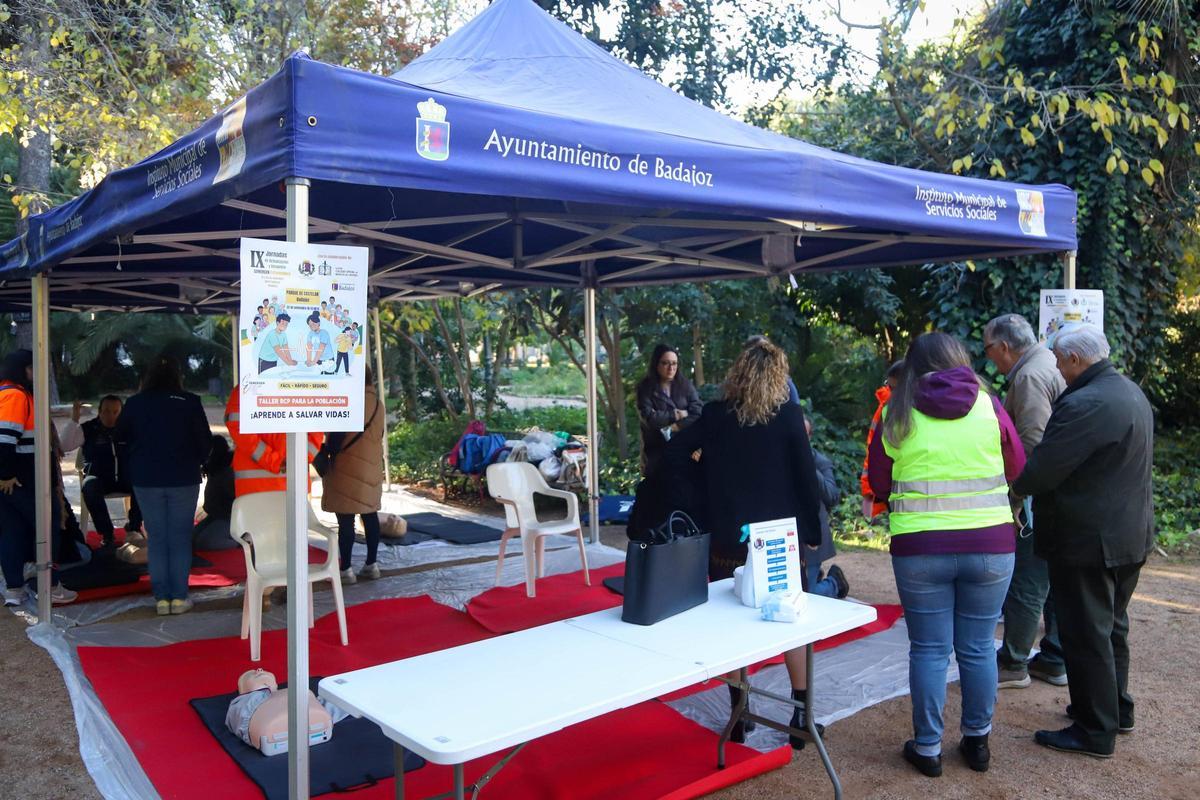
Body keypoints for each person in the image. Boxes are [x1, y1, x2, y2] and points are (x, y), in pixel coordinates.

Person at [867, 332, 1024, 776]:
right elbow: (1018, 467)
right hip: (991, 547)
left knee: (930, 649)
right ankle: (977, 742)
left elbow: (879, 482)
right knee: (977, 647)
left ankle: (929, 747)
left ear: (914, 365)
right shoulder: (989, 405)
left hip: (920, 548)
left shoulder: (895, 409)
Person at [666, 340, 823, 748]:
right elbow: (807, 482)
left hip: (726, 538)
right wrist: (812, 536)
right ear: (778, 378)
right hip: (779, 541)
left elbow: (676, 449)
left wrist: (702, 482)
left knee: (730, 626)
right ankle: (801, 717)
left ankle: (738, 716)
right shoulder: (789, 416)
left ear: (738, 374)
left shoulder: (717, 415)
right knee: (793, 622)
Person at [1012, 324, 1154, 759]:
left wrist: (1017, 485)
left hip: (1088, 541)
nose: (1056, 367)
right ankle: (1117, 710)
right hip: (1128, 534)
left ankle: (1094, 730)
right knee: (1111, 627)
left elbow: (1041, 472)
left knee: (1086, 633)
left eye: (1059, 359)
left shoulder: (1085, 403)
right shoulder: (1129, 391)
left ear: (1075, 359)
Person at [983, 313, 1068, 690]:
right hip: (1060, 493)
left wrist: (1017, 495)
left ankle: (1014, 660)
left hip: (1038, 496)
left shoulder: (1030, 376)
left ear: (1003, 346)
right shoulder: (1046, 362)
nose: (990, 360)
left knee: (1028, 578)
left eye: (989, 351)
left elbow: (1034, 444)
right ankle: (1053, 657)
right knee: (1054, 579)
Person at [117, 355, 212, 615]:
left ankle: (161, 598)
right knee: (180, 538)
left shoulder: (135, 403)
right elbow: (205, 442)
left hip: (146, 479)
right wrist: (199, 460)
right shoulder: (190, 402)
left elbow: (121, 439)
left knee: (157, 538)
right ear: (177, 377)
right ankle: (179, 597)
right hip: (183, 477)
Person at [0, 350, 76, 606]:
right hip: (24, 480)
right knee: (47, 529)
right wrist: (6, 474)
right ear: (22, 369)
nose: (37, 374)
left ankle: (14, 589)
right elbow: (5, 440)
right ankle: (50, 586)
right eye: (33, 368)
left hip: (16, 479)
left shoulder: (7, 392)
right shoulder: (15, 395)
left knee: (12, 532)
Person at [321, 367, 385, 584]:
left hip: (346, 466)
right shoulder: (378, 405)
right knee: (370, 514)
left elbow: (335, 441)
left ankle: (346, 569)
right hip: (372, 467)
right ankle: (372, 564)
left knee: (346, 519)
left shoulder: (346, 402)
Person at [60, 395, 143, 550]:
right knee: (89, 486)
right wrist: (74, 420)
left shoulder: (129, 429)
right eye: (106, 411)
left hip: (125, 478)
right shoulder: (88, 429)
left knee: (144, 481)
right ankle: (107, 534)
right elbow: (64, 445)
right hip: (99, 479)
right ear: (99, 411)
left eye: (115, 412)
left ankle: (134, 527)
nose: (110, 416)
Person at [224, 388, 323, 497]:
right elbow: (316, 429)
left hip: (255, 488)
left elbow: (236, 425)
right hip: (288, 486)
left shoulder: (246, 386)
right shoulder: (304, 387)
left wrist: (278, 461)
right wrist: (296, 461)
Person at [635, 344, 702, 476]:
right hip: (655, 454)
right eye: (665, 363)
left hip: (683, 452)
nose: (671, 368)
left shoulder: (685, 386)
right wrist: (676, 414)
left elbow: (698, 413)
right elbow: (650, 419)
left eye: (674, 363)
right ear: (656, 364)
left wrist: (674, 427)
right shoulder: (645, 388)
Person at [805, 416, 848, 599]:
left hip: (812, 541)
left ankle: (834, 583)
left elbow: (832, 496)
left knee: (808, 596)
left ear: (809, 437)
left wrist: (807, 467)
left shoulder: (820, 461)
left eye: (803, 434)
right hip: (790, 539)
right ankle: (815, 577)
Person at [860, 361, 904, 520]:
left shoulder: (890, 408)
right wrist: (869, 490)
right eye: (888, 386)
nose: (889, 391)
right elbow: (874, 452)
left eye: (892, 387)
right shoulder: (887, 409)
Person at [192, 434, 236, 551]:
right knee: (191, 539)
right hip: (216, 516)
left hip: (229, 518)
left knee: (205, 542)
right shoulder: (215, 469)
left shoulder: (227, 472)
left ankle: (243, 545)